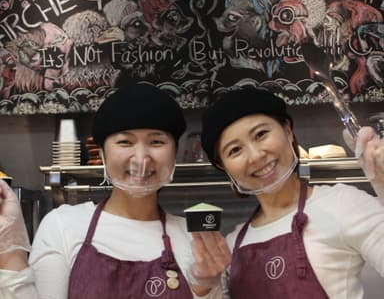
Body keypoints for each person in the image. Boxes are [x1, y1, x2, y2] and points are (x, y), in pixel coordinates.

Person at [0, 83, 231, 299]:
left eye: (157, 142)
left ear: (174, 153)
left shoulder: (194, 238)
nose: (141, 158)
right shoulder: (63, 226)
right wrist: (11, 251)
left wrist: (205, 286)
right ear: (101, 154)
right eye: (125, 142)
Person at [200, 86, 384, 298]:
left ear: (288, 130)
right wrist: (203, 287)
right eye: (234, 150)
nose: (256, 155)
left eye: (261, 134)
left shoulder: (343, 204)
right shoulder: (232, 245)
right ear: (224, 166)